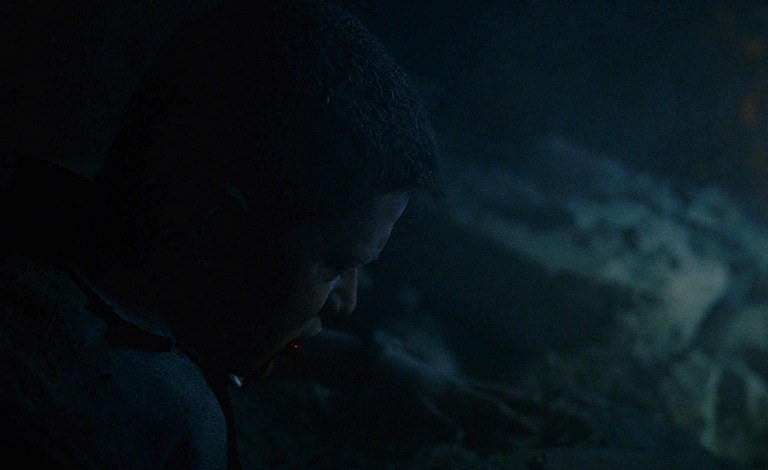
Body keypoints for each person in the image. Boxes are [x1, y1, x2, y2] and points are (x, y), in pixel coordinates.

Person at [0, 1, 542, 468]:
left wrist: (370, 364)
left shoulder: (50, 227)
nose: (348, 303)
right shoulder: (162, 423)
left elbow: (231, 319)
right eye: (337, 267)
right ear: (218, 233)